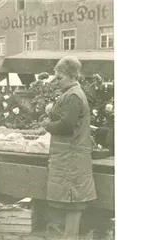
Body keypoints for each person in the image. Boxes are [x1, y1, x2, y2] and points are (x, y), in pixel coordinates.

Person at [44, 56, 97, 240]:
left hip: (71, 155)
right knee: (71, 198)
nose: (56, 82)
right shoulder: (71, 93)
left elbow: (67, 126)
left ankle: (70, 236)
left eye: (60, 78)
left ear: (72, 76)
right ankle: (68, 235)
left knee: (73, 199)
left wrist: (47, 124)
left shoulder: (73, 95)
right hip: (69, 154)